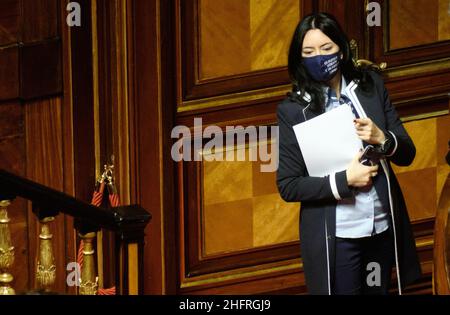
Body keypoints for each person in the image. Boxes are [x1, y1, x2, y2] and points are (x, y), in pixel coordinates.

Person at [276, 12, 421, 295]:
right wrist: (345, 180)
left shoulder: (370, 86)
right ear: (299, 57)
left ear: (341, 51)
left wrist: (383, 138)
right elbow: (289, 185)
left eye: (326, 49)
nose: (318, 57)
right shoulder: (293, 110)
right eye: (309, 52)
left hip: (380, 228)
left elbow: (407, 153)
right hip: (339, 237)